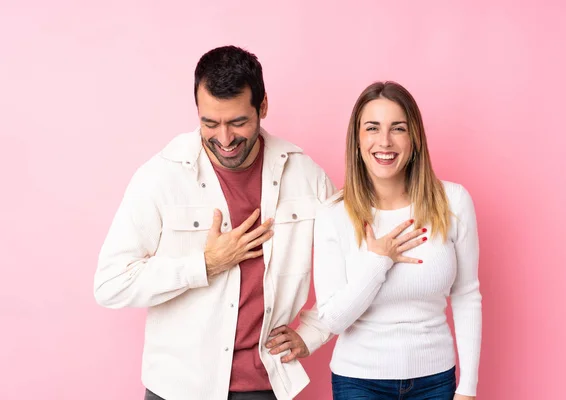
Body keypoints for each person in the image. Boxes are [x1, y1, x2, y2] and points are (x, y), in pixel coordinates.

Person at [94, 45, 339, 400]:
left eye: (238, 122)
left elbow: (348, 261)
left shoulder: (303, 173)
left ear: (263, 107)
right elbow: (110, 284)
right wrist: (205, 264)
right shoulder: (161, 176)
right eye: (210, 123)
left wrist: (314, 332)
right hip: (179, 388)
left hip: (266, 385)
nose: (224, 139)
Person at [312, 81, 482, 400]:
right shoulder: (332, 214)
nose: (384, 141)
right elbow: (333, 319)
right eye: (372, 128)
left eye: (398, 128)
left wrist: (468, 388)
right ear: (357, 140)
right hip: (358, 383)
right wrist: (379, 261)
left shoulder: (454, 202)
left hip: (435, 381)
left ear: (414, 137)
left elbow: (467, 294)